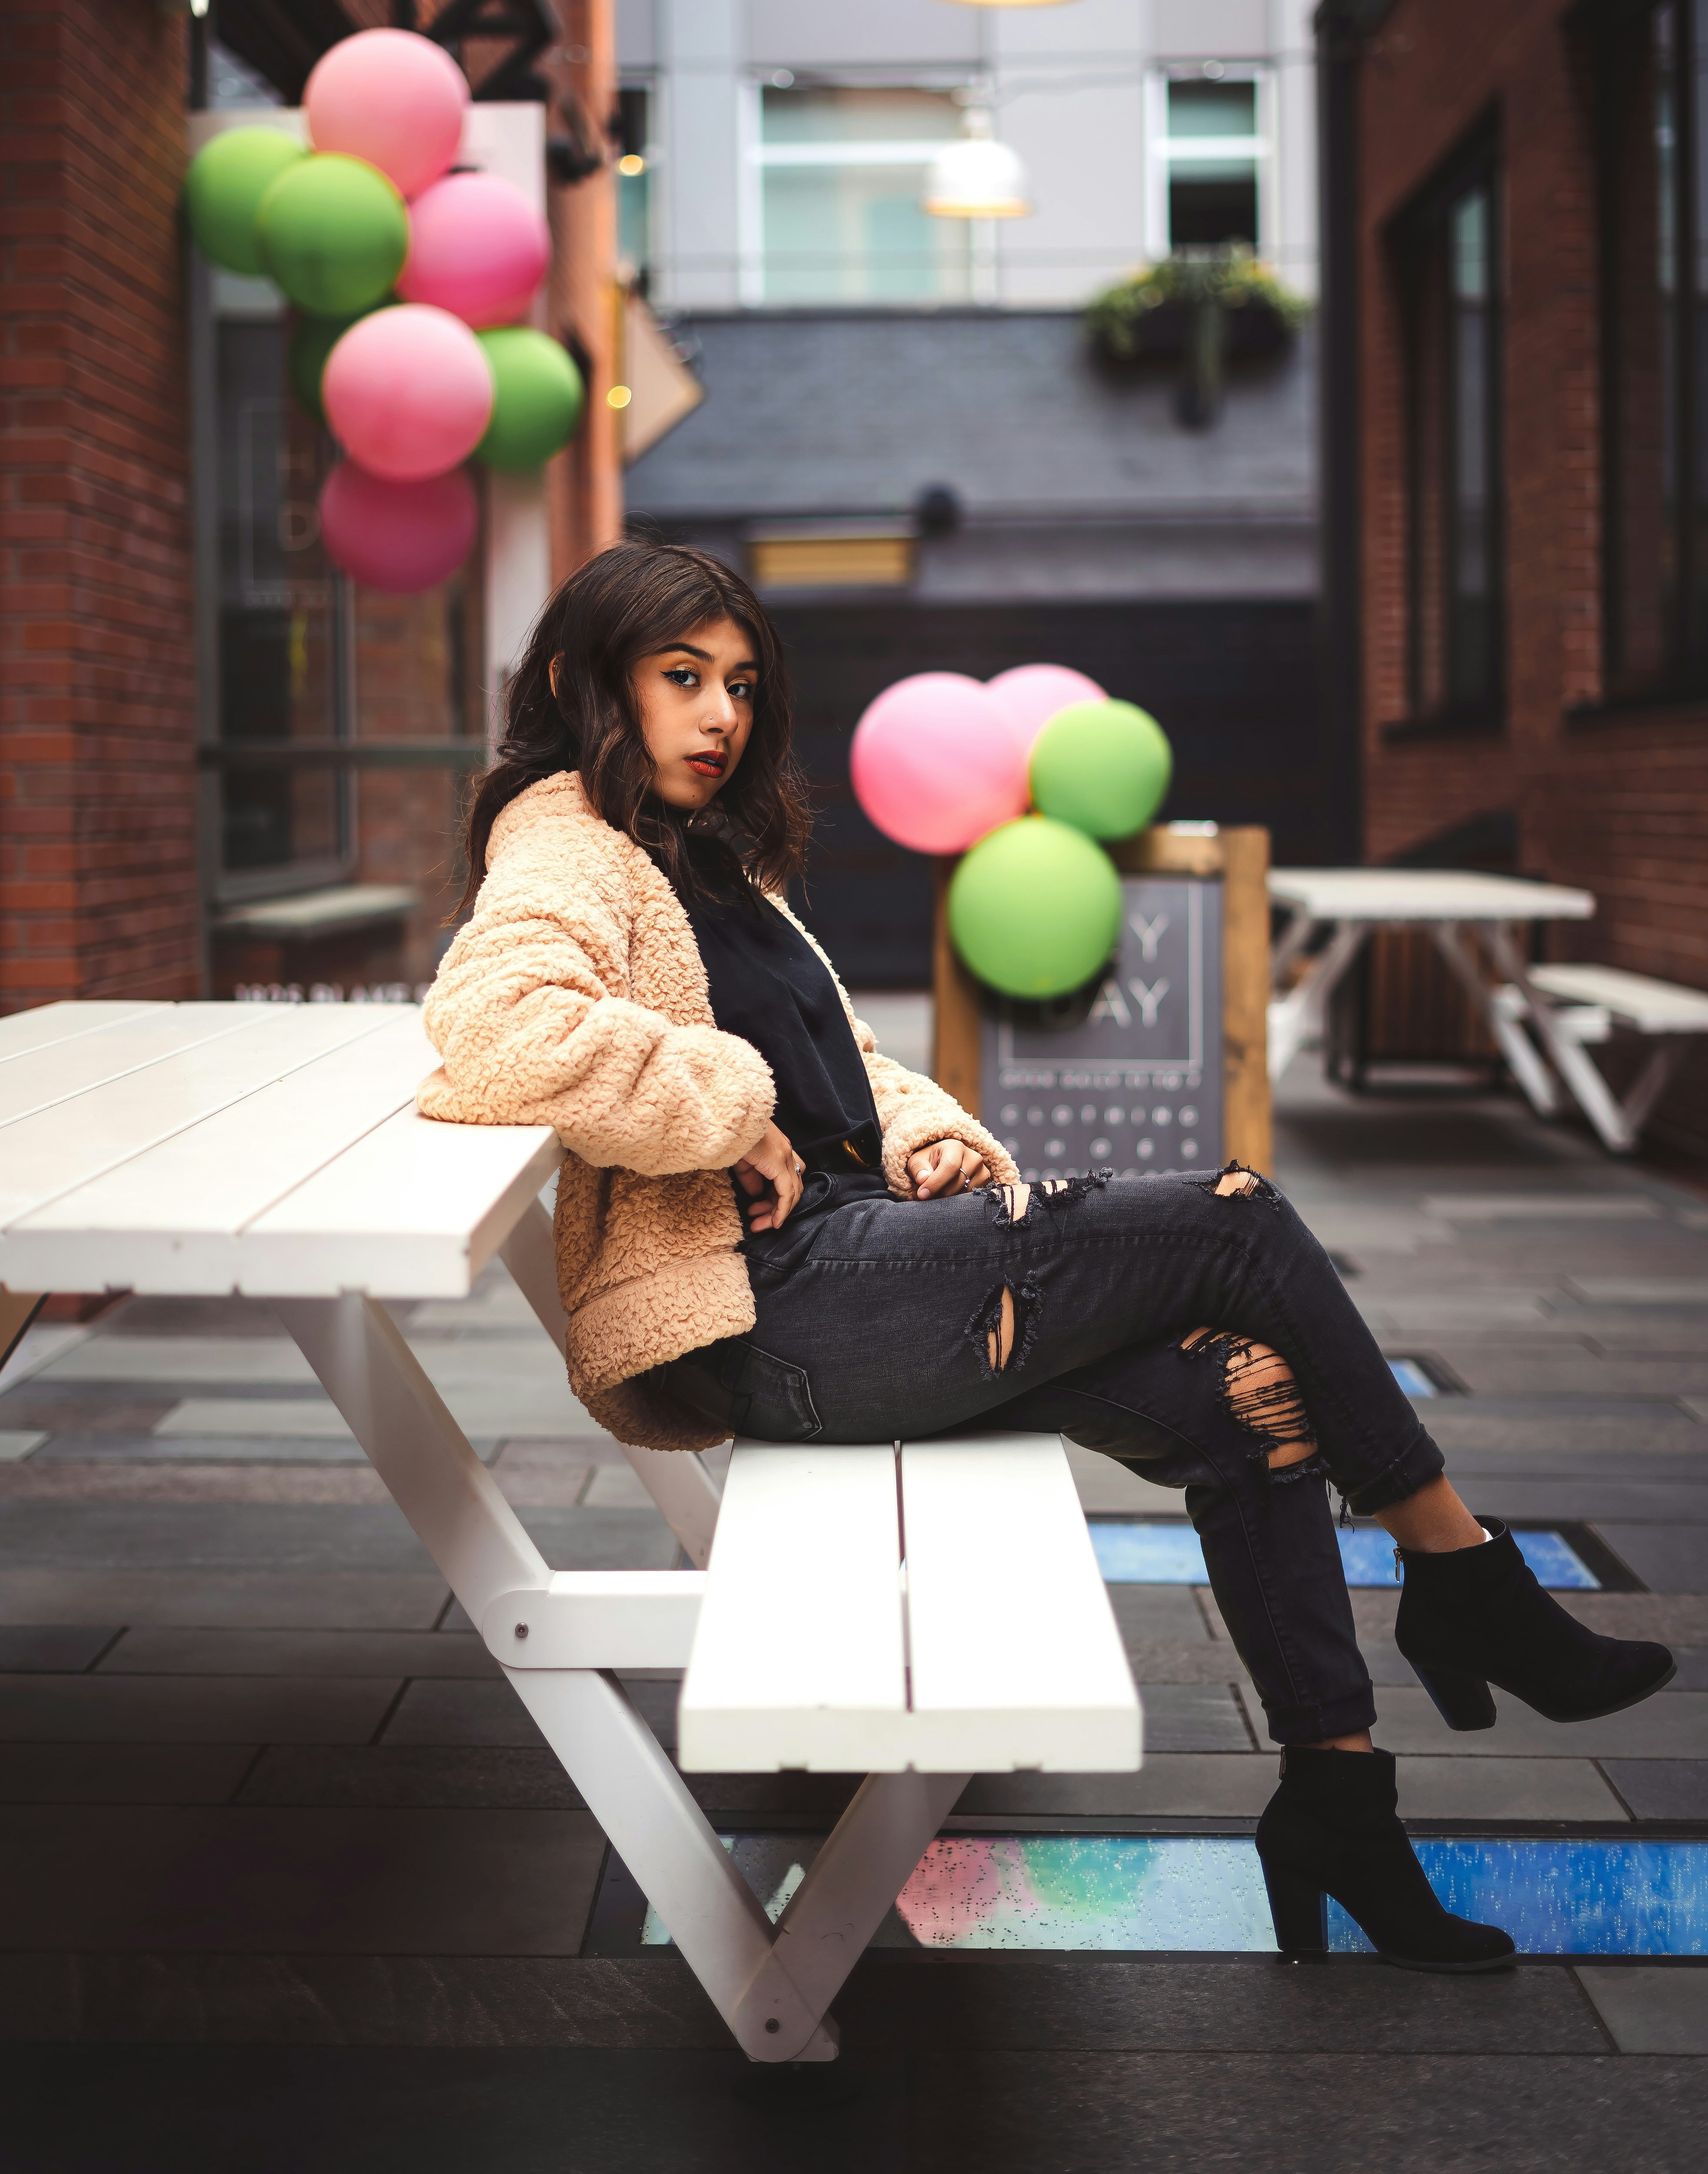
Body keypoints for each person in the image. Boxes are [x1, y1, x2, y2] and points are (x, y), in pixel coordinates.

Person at [420, 541, 1674, 1974]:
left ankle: (1339, 1801)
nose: (722, 717)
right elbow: (495, 1024)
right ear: (592, 684)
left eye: (744, 686)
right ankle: (1466, 1581)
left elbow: (849, 1064)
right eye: (682, 680)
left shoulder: (701, 857)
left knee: (1248, 1395)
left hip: (861, 1269)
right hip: (783, 1315)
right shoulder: (567, 836)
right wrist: (727, 1112)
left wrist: (929, 1143)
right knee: (1237, 1215)